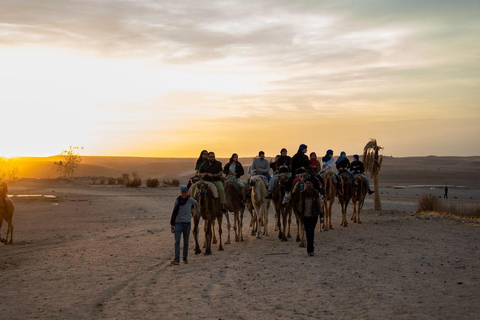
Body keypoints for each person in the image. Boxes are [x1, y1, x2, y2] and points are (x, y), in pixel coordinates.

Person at [170, 186, 199, 265]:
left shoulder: (190, 200)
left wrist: (197, 212)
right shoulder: (178, 201)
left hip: (187, 224)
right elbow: (174, 213)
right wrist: (172, 225)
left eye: (185, 192)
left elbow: (196, 203)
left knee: (186, 242)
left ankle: (185, 258)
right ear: (181, 192)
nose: (184, 194)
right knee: (177, 242)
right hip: (178, 224)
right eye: (182, 192)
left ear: (187, 193)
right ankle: (177, 259)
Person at [300, 178, 324, 257]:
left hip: (313, 216)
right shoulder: (302, 193)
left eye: (310, 183)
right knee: (307, 232)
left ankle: (310, 250)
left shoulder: (316, 193)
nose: (308, 185)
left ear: (312, 184)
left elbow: (319, 204)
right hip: (305, 216)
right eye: (307, 183)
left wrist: (321, 215)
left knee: (311, 232)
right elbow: (300, 205)